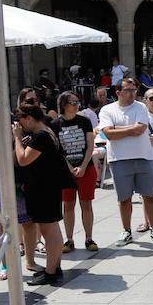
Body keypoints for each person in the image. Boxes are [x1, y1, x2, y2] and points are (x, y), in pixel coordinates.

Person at [12, 100, 74, 285]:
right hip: (48, 188)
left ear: (29, 119)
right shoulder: (47, 132)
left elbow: (23, 160)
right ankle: (55, 267)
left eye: (21, 122)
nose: (21, 126)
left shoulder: (41, 136)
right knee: (52, 228)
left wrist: (17, 138)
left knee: (48, 231)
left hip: (43, 189)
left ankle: (50, 272)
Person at [99, 79, 153, 245]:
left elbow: (140, 130)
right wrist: (128, 129)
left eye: (134, 90)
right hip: (119, 159)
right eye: (128, 90)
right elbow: (107, 134)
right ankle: (126, 231)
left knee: (149, 196)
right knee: (124, 199)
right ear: (118, 93)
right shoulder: (107, 110)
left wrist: (115, 128)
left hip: (144, 157)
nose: (133, 93)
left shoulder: (140, 106)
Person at [51, 91, 97, 254]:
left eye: (78, 101)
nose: (77, 105)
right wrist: (70, 168)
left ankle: (89, 238)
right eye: (73, 102)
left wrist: (83, 166)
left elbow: (90, 145)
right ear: (64, 104)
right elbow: (57, 150)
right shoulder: (55, 124)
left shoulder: (84, 121)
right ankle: (69, 240)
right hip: (65, 171)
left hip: (86, 168)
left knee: (86, 203)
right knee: (68, 204)